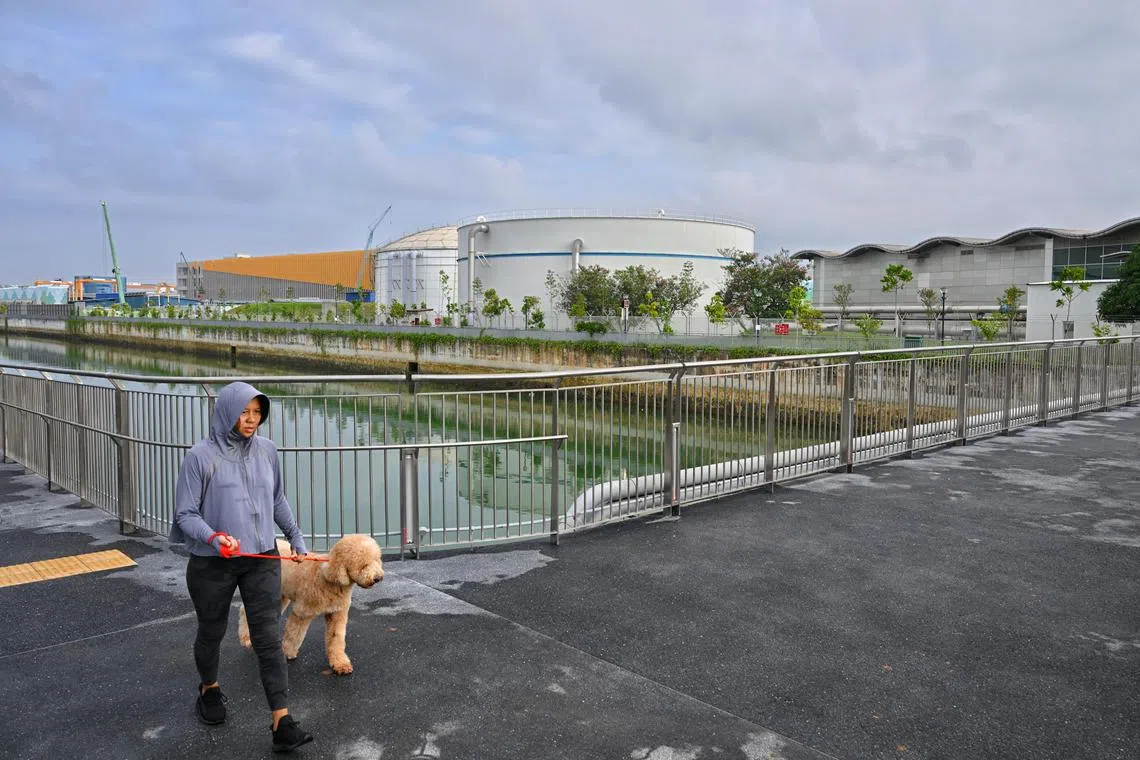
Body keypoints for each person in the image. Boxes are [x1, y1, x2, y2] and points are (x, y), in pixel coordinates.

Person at [170, 381, 314, 753]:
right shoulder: (200, 457)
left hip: (261, 557)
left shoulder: (266, 450)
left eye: (257, 413)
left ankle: (282, 721)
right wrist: (214, 537)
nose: (251, 420)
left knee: (268, 637)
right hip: (212, 563)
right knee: (212, 631)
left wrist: (295, 536)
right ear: (226, 412)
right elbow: (185, 513)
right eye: (244, 412)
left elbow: (276, 497)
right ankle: (209, 688)